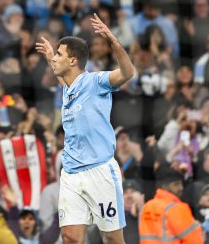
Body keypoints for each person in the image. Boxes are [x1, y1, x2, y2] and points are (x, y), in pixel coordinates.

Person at [35, 13, 134, 244]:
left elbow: (128, 73)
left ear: (72, 61)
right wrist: (51, 55)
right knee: (70, 237)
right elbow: (65, 81)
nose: (55, 59)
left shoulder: (96, 82)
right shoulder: (68, 88)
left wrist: (112, 38)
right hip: (71, 173)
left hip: (100, 170)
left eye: (60, 55)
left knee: (111, 238)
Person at [138, 164, 204, 243]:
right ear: (164, 186)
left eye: (181, 184)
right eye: (176, 184)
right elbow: (193, 240)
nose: (181, 188)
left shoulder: (146, 207)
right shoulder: (177, 208)